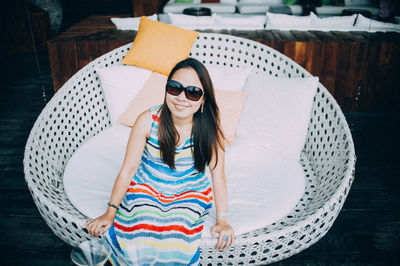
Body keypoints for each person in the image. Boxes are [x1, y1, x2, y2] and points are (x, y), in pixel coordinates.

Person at [85, 57, 234, 265]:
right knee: (143, 220)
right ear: (166, 90)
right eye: (175, 88)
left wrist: (222, 219)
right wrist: (110, 212)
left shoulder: (209, 130)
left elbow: (218, 175)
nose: (182, 97)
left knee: (177, 228)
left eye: (192, 92)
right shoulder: (147, 120)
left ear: (203, 100)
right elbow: (128, 169)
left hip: (189, 189)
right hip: (148, 184)